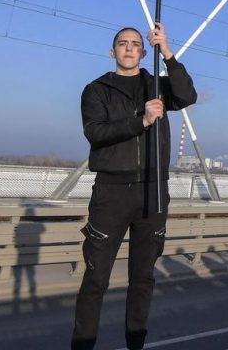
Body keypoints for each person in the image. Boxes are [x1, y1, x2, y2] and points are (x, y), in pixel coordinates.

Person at [72, 23, 197, 350]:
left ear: (144, 51)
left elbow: (186, 95)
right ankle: (83, 345)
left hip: (153, 192)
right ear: (112, 51)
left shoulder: (155, 86)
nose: (129, 48)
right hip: (111, 193)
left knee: (142, 279)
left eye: (136, 44)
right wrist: (140, 120)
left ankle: (135, 344)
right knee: (95, 279)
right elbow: (96, 133)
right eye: (122, 44)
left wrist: (167, 52)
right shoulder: (97, 89)